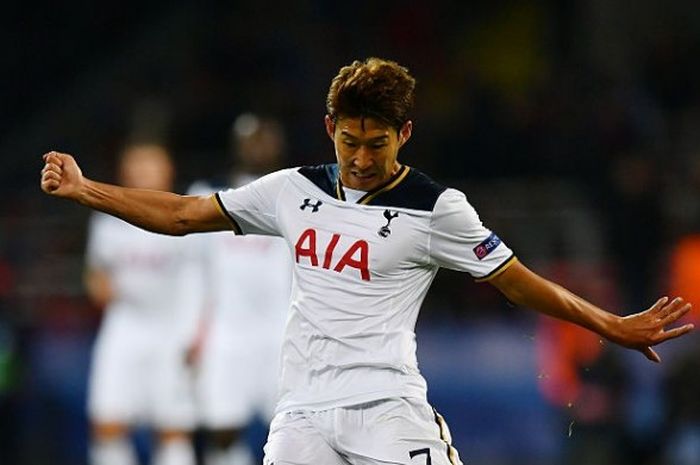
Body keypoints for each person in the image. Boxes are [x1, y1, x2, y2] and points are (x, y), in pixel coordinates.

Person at [41, 57, 694, 465]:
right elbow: (183, 217)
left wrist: (609, 324)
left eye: (376, 143)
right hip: (300, 411)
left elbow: (517, 282)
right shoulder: (291, 190)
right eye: (350, 139)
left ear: (404, 134)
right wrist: (85, 189)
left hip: (386, 406)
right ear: (331, 125)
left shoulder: (437, 208)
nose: (359, 157)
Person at [82, 143, 198, 465]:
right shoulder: (107, 224)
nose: (144, 173)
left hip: (171, 330)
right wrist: (100, 286)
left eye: (152, 165)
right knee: (107, 422)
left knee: (173, 428)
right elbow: (96, 276)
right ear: (124, 172)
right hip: (125, 328)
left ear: (168, 170)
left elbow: (199, 283)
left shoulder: (188, 217)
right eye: (137, 166)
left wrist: (194, 332)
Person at [187, 113, 292, 465]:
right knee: (223, 429)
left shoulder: (298, 198)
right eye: (251, 139)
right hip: (226, 332)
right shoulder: (209, 197)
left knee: (291, 431)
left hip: (281, 333)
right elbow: (193, 272)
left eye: (265, 139)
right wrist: (191, 331)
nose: (258, 147)